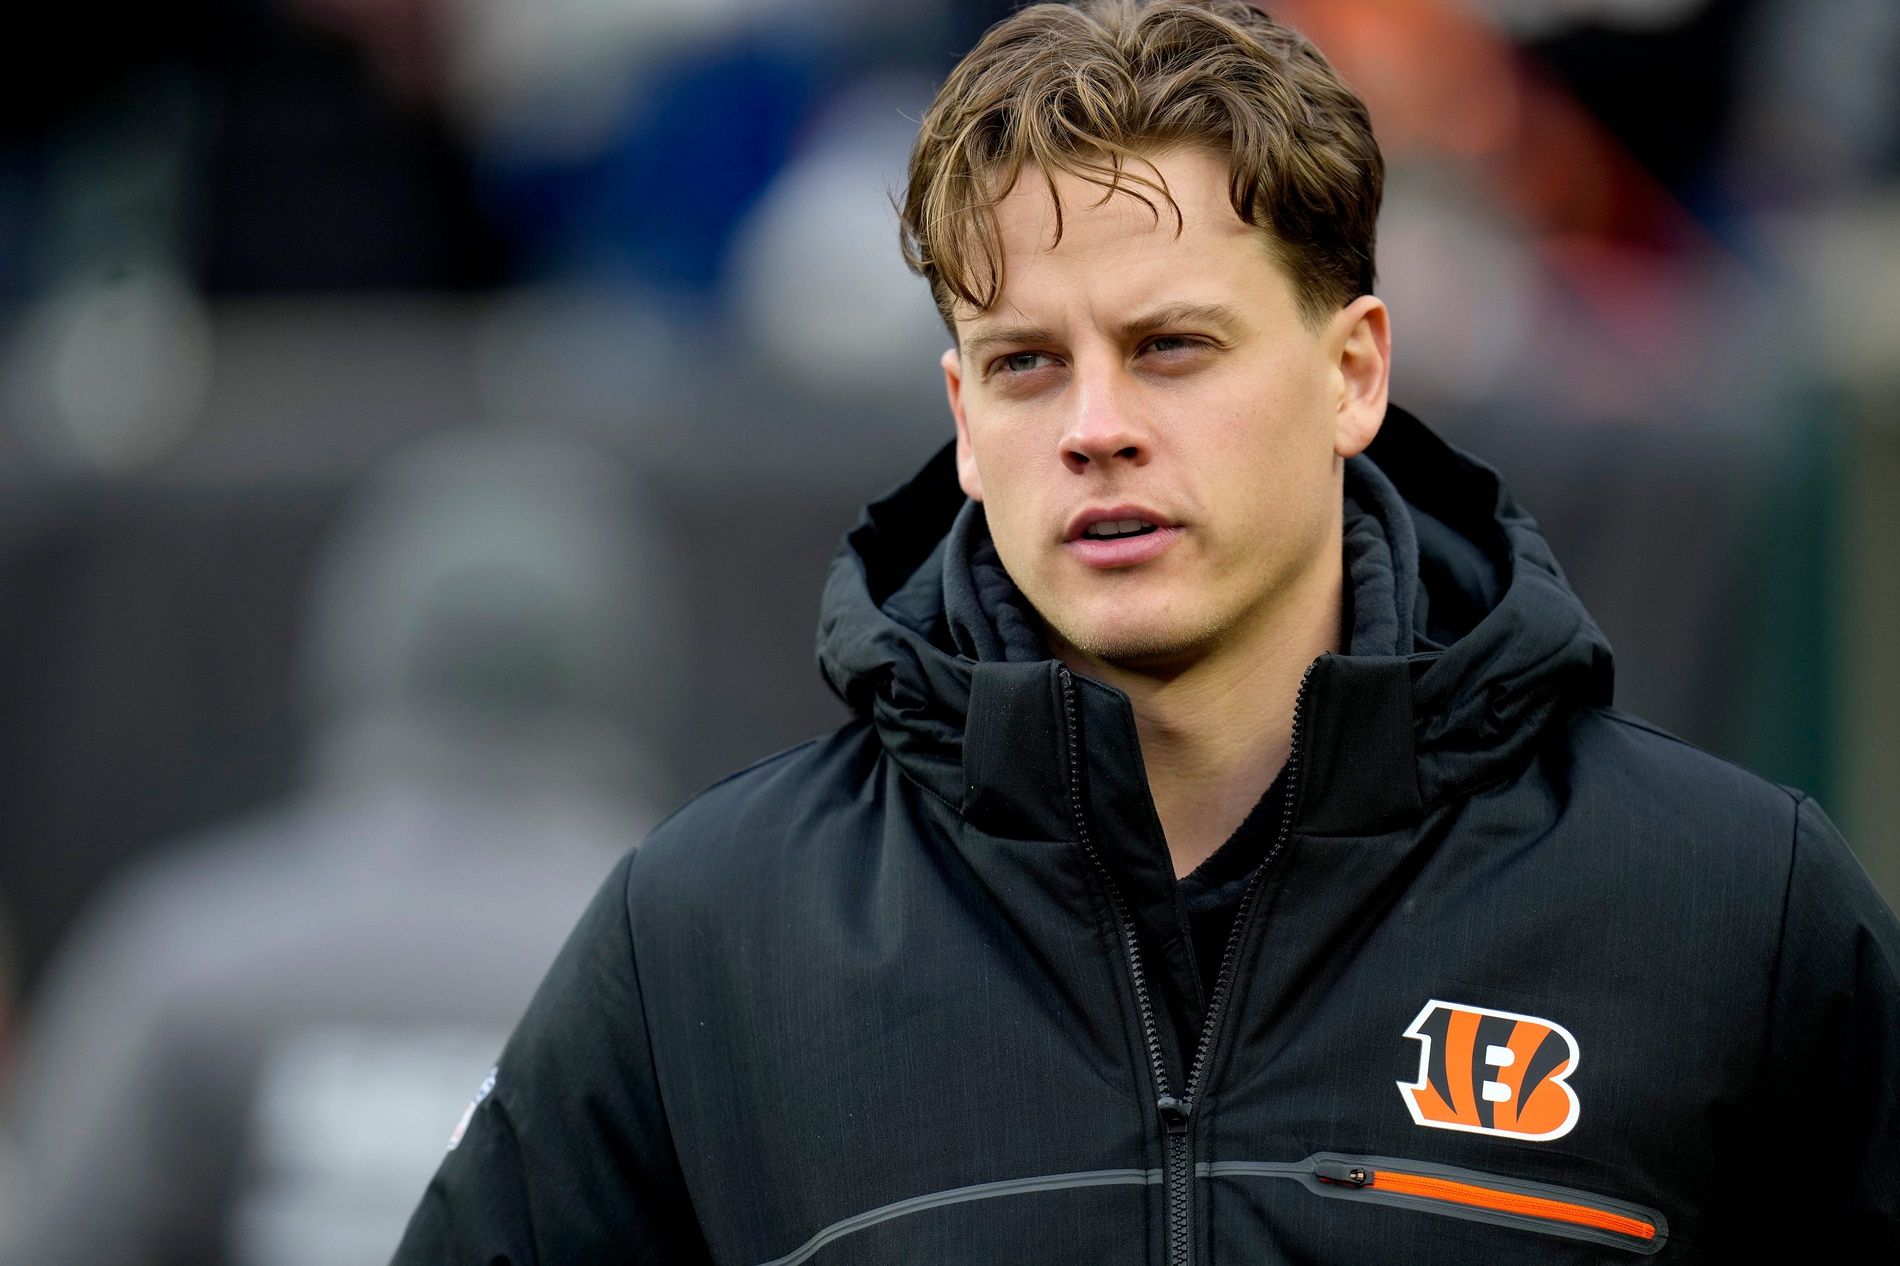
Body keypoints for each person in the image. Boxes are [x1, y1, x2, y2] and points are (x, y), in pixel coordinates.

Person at [392, 2, 1900, 1262]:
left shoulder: (1724, 910)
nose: (1098, 429)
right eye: (1029, 363)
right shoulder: (712, 941)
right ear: (962, 422)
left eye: (1171, 347)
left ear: (1353, 372)